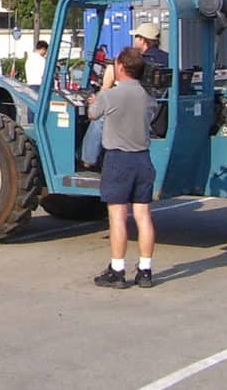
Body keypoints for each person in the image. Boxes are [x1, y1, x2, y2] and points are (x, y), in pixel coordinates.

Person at [88, 46, 157, 289]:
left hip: (119, 159)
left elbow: (92, 113)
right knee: (143, 215)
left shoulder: (110, 95)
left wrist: (103, 89)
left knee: (117, 216)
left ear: (120, 67)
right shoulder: (149, 98)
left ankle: (117, 270)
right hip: (143, 159)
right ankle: (145, 270)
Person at [83, 23, 168, 166]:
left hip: (141, 109)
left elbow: (128, 89)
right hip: (158, 107)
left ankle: (87, 159)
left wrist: (102, 93)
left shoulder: (142, 62)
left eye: (136, 37)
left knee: (100, 117)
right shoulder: (167, 58)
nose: (134, 40)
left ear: (143, 40)